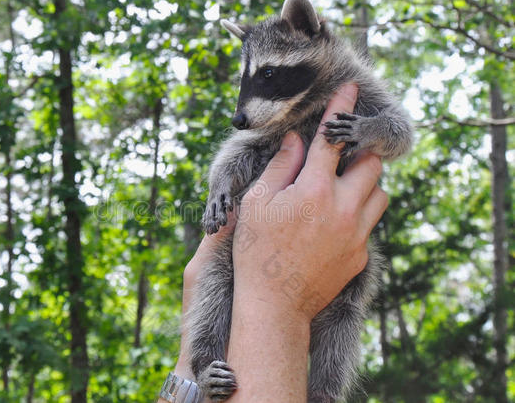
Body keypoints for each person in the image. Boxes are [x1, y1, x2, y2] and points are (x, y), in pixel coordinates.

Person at [158, 84, 387, 403]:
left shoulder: (351, 88)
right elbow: (240, 151)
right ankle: (206, 368)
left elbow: (398, 131)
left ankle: (326, 394)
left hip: (339, 253)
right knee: (216, 281)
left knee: (345, 313)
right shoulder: (273, 116)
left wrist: (369, 128)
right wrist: (219, 189)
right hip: (245, 251)